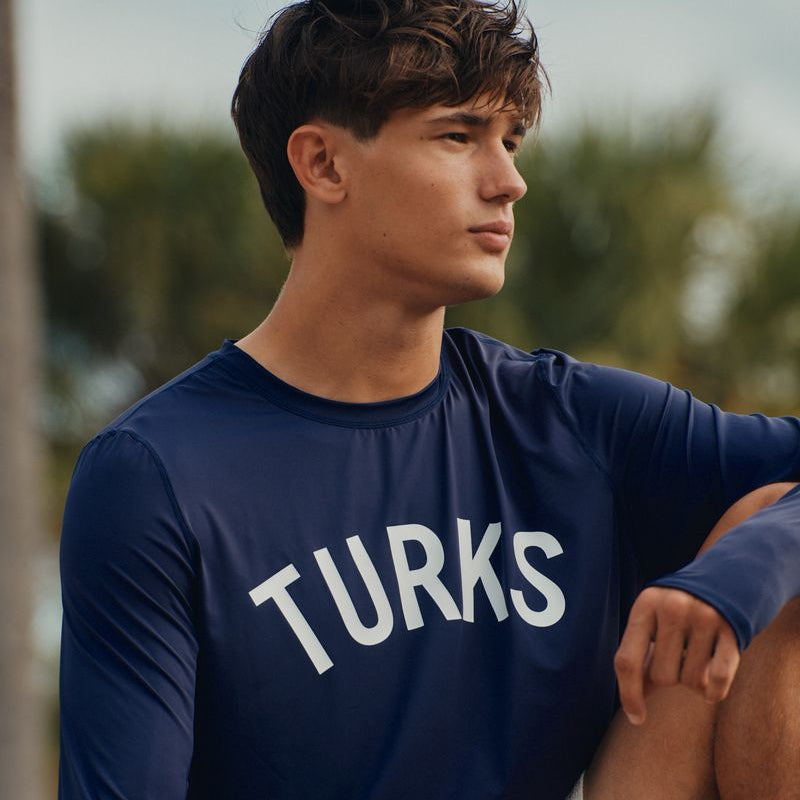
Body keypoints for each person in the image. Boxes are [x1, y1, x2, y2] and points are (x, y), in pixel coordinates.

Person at [58, 1, 800, 798]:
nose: (509, 180)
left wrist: (745, 570)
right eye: (459, 136)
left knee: (777, 535)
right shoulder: (157, 475)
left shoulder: (569, 422)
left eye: (511, 141)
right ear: (324, 165)